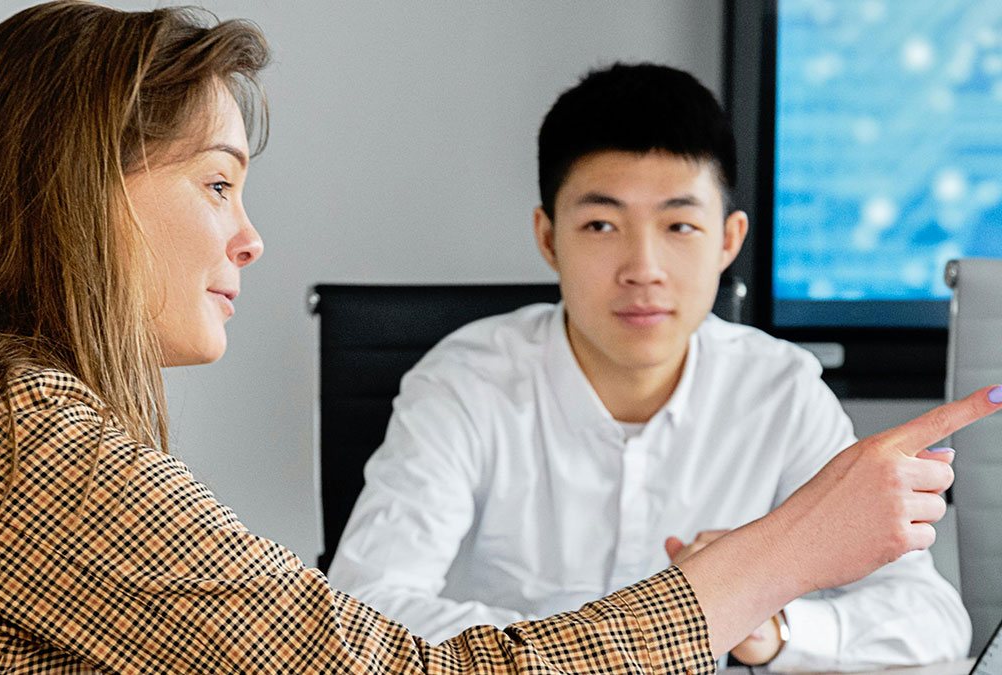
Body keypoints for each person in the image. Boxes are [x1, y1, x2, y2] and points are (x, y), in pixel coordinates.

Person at [0, 3, 994, 672]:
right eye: (218, 184)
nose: (251, 239)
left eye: (680, 226)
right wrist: (778, 556)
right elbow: (386, 658)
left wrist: (776, 614)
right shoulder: (10, 437)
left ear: (728, 239)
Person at [327, 63, 971, 670]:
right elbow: (362, 611)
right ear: (548, 237)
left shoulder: (779, 390)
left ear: (728, 241)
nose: (643, 268)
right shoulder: (465, 384)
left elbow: (931, 616)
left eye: (679, 227)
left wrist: (772, 628)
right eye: (603, 225)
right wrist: (672, 624)